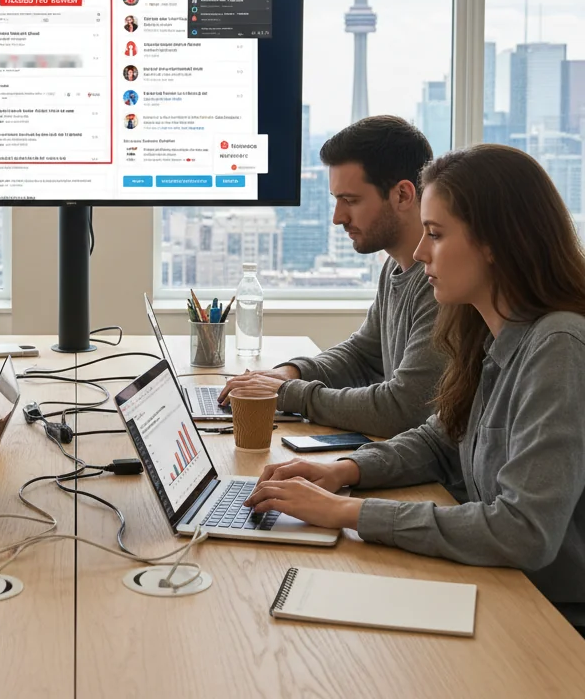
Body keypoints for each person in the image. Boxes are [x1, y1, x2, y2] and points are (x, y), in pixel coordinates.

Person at [244, 144, 585, 637]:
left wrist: (350, 512)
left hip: (550, 621)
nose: (421, 251)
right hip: (502, 587)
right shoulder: (489, 333)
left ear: (496, 242)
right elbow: (440, 438)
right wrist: (345, 471)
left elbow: (523, 531)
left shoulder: (559, 346)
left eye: (437, 234)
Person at [219, 116, 445, 438]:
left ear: (403, 195)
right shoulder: (394, 267)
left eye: (350, 200)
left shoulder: (441, 283)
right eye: (336, 200)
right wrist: (286, 373)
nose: (338, 218)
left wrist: (289, 393)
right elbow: (362, 357)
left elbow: (403, 409)